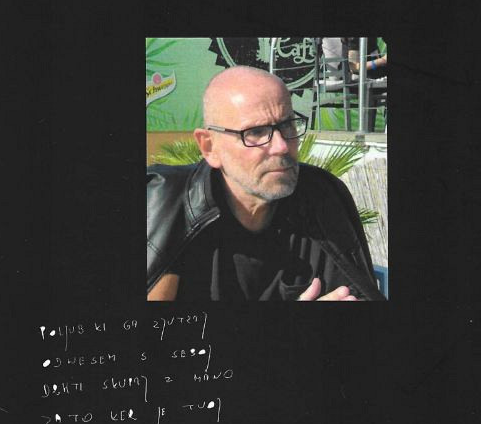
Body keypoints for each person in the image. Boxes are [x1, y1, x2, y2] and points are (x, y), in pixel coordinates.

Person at [147, 66, 386, 301]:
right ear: (209, 146)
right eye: (255, 132)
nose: (281, 146)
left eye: (287, 125)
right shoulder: (165, 205)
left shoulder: (320, 196)